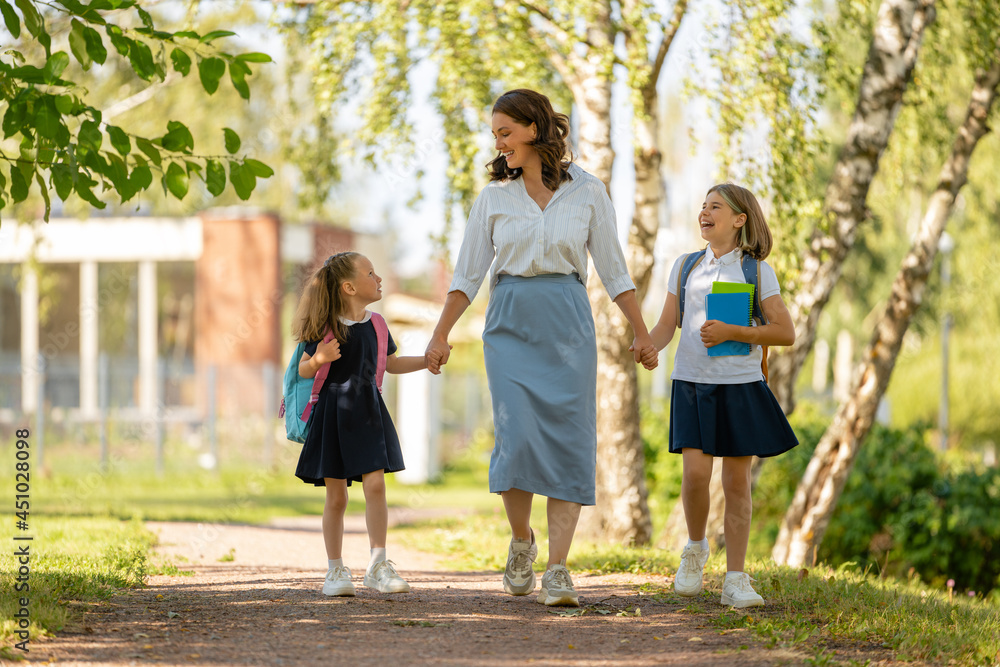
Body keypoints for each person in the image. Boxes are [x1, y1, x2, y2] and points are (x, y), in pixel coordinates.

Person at [424, 88, 658, 608]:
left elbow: (615, 271)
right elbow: (467, 275)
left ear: (534, 129)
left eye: (505, 132)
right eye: (496, 135)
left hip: (568, 323)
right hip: (509, 320)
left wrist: (641, 331)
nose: (499, 143)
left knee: (570, 439)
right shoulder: (493, 198)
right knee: (518, 434)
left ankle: (558, 568)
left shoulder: (589, 192)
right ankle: (522, 540)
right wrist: (440, 333)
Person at [647, 183, 798, 608]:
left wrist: (734, 332)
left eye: (716, 206)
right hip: (691, 383)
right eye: (702, 205)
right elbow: (666, 325)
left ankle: (736, 577)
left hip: (741, 387)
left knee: (736, 482)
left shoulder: (756, 271)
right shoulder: (684, 266)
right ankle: (695, 548)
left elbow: (785, 332)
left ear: (739, 219)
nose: (704, 212)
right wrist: (648, 346)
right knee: (695, 475)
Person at [292, 252, 428, 597]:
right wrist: (320, 358)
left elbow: (391, 364)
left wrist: (427, 360)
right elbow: (303, 369)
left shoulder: (378, 325)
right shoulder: (325, 327)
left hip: (369, 412)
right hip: (332, 416)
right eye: (371, 272)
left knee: (376, 486)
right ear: (349, 287)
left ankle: (378, 565)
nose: (379, 278)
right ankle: (335, 570)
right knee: (336, 498)